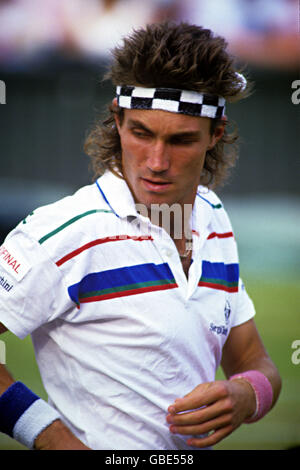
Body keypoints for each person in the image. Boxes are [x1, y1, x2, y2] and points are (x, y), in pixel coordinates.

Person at [0, 22, 281, 450]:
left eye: (181, 140)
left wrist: (246, 395)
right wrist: (53, 439)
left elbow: (252, 361)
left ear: (215, 134)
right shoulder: (66, 233)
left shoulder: (214, 218)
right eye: (141, 133)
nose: (156, 161)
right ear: (118, 119)